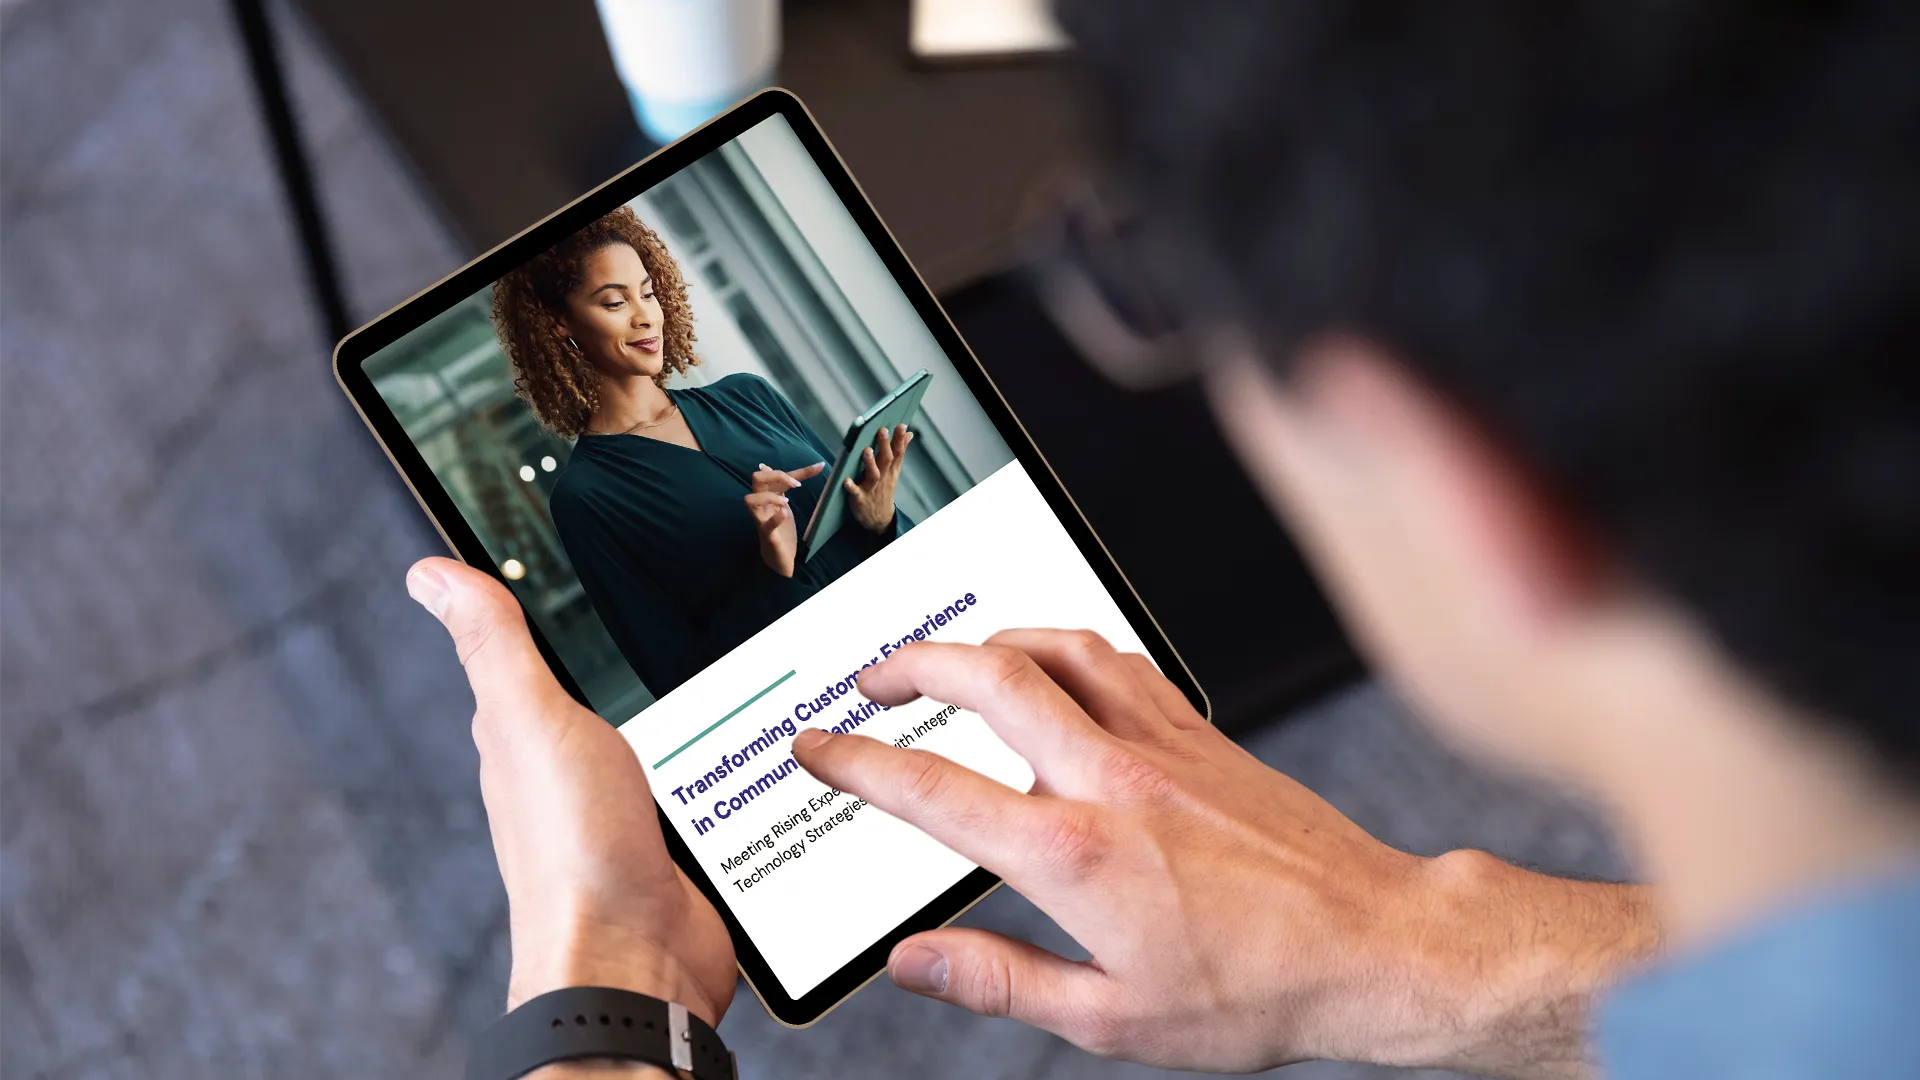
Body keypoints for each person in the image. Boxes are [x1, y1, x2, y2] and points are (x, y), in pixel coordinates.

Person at [405, 2, 1919, 1077]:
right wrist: (1421, 950)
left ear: (1467, 485)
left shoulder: (730, 398)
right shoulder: (600, 490)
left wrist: (612, 987)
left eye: (1161, 279)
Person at [493, 206, 915, 699]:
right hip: (827, 703)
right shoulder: (586, 497)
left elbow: (883, 541)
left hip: (915, 634)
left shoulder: (749, 395)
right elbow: (678, 681)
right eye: (614, 302)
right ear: (559, 322)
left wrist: (880, 520)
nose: (645, 315)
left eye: (648, 292)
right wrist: (772, 571)